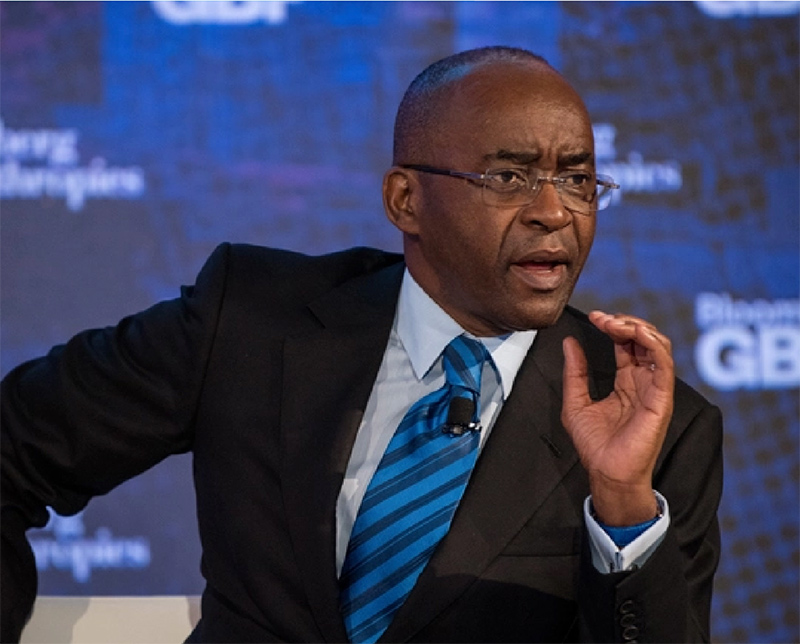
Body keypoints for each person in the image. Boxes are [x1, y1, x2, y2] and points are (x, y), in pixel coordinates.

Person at [1, 46, 722, 643]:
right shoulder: (250, 322)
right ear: (406, 201)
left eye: (577, 179)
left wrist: (621, 506)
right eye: (510, 177)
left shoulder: (656, 427)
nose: (554, 212)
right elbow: (13, 445)